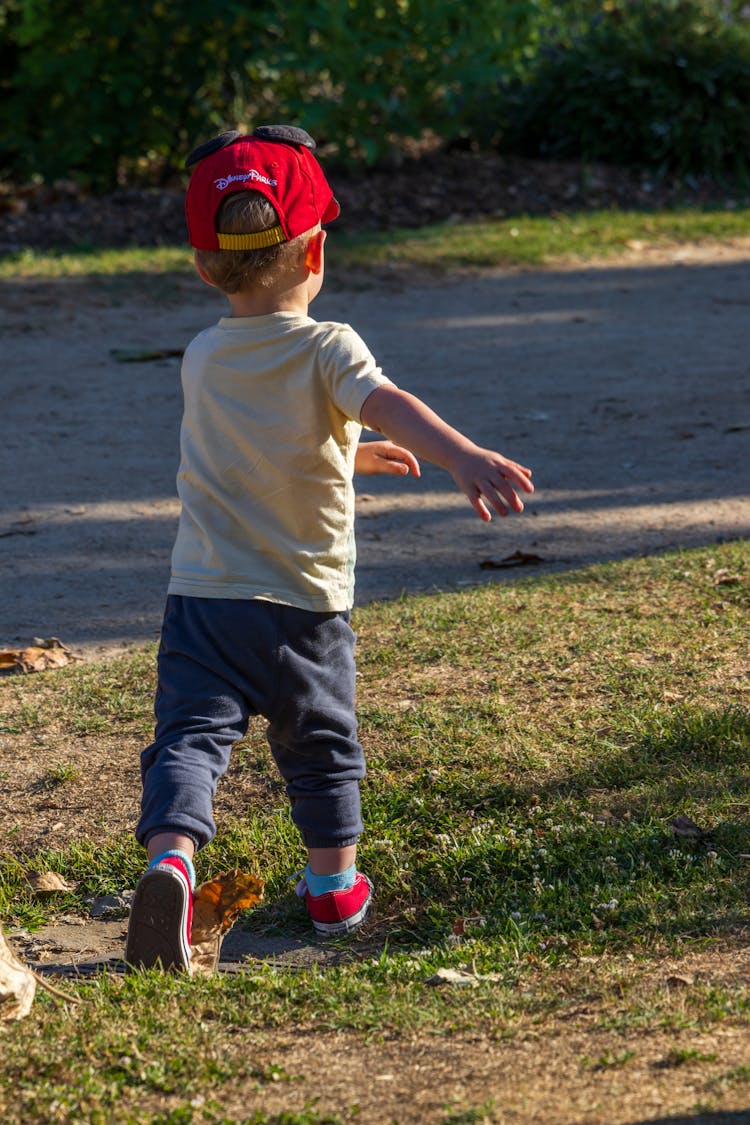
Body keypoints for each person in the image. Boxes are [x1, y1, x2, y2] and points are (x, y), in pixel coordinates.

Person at [125, 125, 534, 971]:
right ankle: (333, 891)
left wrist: (344, 453)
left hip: (203, 602)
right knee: (320, 745)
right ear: (317, 254)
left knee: (189, 739)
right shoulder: (328, 343)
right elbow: (387, 400)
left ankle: (172, 857)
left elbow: (254, 448)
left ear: (205, 266)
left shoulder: (202, 357)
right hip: (304, 609)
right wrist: (462, 454)